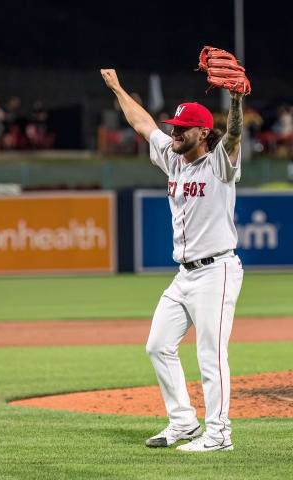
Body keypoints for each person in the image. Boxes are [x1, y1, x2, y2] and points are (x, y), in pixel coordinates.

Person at [101, 68, 244, 452]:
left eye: (183, 129)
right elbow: (143, 122)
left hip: (218, 271)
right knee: (158, 345)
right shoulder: (173, 157)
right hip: (185, 276)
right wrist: (116, 88)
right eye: (175, 127)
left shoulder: (219, 163)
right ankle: (183, 421)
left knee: (210, 355)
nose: (175, 133)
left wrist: (236, 100)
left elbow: (233, 136)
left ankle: (219, 435)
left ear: (202, 133)